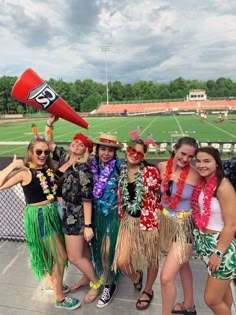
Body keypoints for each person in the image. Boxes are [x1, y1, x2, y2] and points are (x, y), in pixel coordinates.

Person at [0, 138, 80, 310]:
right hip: (40, 217)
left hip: (51, 214)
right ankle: (59, 298)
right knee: (60, 256)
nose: (43, 155)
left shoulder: (47, 170)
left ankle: (52, 284)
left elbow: (57, 178)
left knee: (50, 255)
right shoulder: (25, 172)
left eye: (46, 152)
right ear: (30, 152)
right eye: (38, 152)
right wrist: (13, 166)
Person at [45, 115, 103, 304]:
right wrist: (49, 124)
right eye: (75, 142)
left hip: (75, 215)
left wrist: (87, 225)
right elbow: (50, 143)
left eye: (81, 145)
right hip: (62, 210)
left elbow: (87, 199)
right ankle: (87, 277)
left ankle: (96, 282)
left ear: (86, 151)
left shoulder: (83, 169)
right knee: (84, 252)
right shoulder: (63, 156)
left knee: (74, 256)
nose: (77, 145)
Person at [113, 139, 161, 310]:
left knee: (152, 258)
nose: (134, 154)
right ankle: (136, 278)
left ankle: (148, 290)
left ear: (144, 156)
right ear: (127, 150)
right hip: (128, 220)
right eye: (132, 150)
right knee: (122, 261)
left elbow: (161, 192)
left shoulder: (152, 171)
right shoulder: (122, 170)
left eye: (139, 153)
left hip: (149, 221)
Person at [157, 137, 201, 315]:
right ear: (174, 149)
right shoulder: (161, 167)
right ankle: (189, 305)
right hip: (167, 223)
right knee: (183, 265)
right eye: (183, 153)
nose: (186, 159)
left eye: (190, 156)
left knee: (166, 277)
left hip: (185, 227)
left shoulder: (197, 174)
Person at [192, 146, 236, 315]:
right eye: (199, 161)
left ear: (217, 164)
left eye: (207, 161)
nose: (201, 165)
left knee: (211, 299)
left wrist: (218, 253)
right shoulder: (204, 184)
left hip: (221, 248)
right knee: (224, 295)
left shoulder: (223, 187)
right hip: (208, 245)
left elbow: (231, 224)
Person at [89, 133, 122, 308]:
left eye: (110, 150)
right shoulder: (92, 165)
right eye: (103, 149)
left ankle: (109, 285)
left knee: (107, 251)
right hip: (95, 216)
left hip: (112, 216)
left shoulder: (119, 165)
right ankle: (108, 276)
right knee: (98, 250)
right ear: (97, 150)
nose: (106, 153)